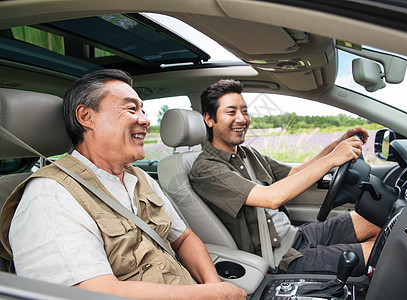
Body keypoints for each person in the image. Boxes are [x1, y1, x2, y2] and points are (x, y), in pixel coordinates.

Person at [0, 70, 246, 300]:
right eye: (131, 109)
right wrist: (214, 294)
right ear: (86, 117)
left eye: (143, 110)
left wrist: (213, 286)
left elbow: (183, 238)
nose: (146, 120)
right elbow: (94, 294)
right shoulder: (50, 196)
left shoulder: (139, 177)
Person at [190, 79, 380, 276]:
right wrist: (332, 159)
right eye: (231, 112)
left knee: (373, 220)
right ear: (209, 119)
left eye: (245, 111)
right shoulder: (206, 169)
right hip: (280, 257)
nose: (241, 119)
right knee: (380, 252)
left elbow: (295, 174)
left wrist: (335, 146)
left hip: (296, 235)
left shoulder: (248, 154)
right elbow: (270, 198)